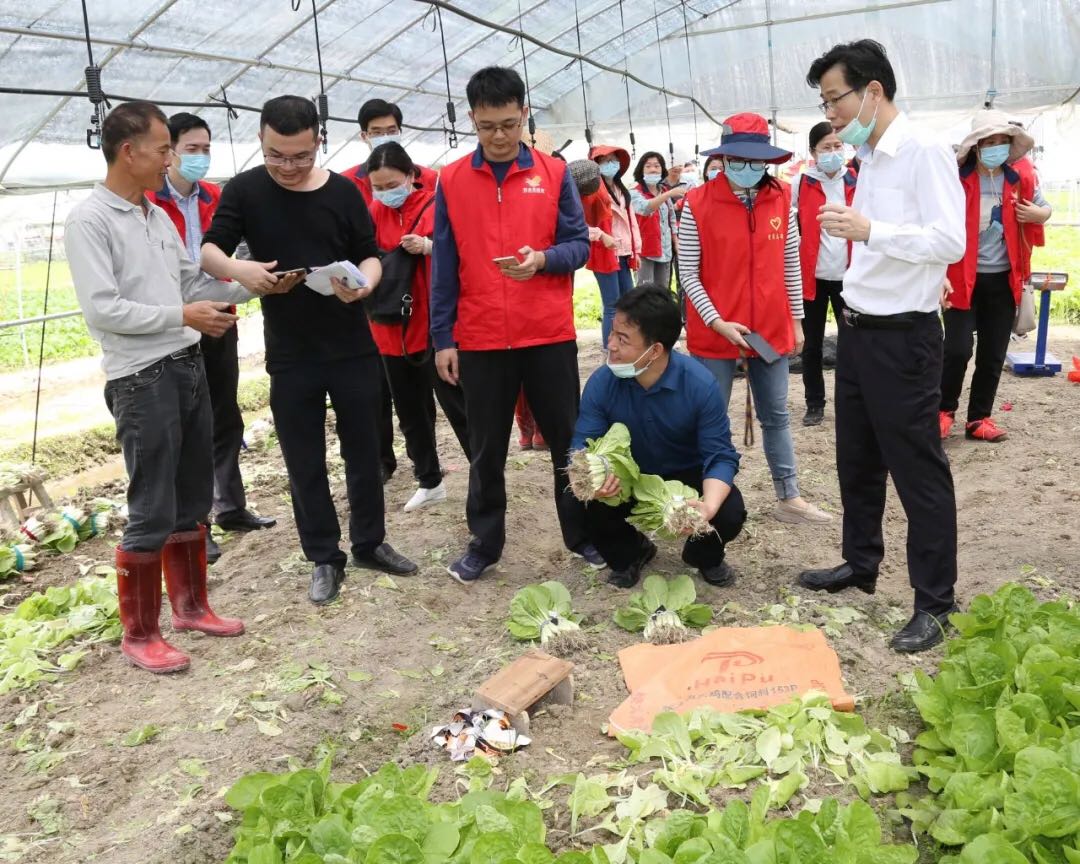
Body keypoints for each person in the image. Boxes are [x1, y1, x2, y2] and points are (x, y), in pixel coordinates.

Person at [64, 102, 295, 673]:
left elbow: (190, 280)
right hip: (141, 378)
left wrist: (254, 283)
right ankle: (139, 633)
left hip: (186, 365)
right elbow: (104, 310)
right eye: (166, 147)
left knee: (192, 496)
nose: (174, 157)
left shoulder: (156, 217)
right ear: (129, 151)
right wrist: (183, 316)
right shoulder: (90, 221)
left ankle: (192, 606)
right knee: (152, 505)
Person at [201, 95, 417, 606]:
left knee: (365, 452)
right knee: (304, 460)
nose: (289, 167)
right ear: (261, 141)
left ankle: (370, 542)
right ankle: (323, 556)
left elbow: (370, 251)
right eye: (277, 155)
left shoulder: (343, 191)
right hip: (291, 353)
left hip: (351, 346)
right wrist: (242, 271)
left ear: (318, 141)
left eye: (300, 156)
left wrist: (365, 283)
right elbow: (211, 249)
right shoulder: (246, 190)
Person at [799, 40, 966, 652]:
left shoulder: (921, 151)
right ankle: (860, 562)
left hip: (904, 337)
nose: (830, 112)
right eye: (823, 101)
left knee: (917, 469)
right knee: (858, 458)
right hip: (860, 328)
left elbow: (948, 239)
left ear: (872, 90)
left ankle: (935, 602)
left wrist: (873, 230)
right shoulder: (865, 157)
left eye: (834, 98)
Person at [430, 66, 600, 583]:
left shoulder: (552, 174)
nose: (499, 136)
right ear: (473, 122)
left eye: (508, 123)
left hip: (546, 332)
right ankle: (485, 542)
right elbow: (445, 264)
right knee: (485, 447)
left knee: (567, 440)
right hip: (481, 337)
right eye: (487, 126)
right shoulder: (454, 180)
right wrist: (444, 338)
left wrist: (542, 260)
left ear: (524, 115)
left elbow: (579, 245)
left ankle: (584, 534)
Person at [679, 113, 832, 526]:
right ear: (724, 158)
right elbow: (689, 274)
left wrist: (796, 320)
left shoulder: (781, 197)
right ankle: (703, 499)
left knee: (776, 414)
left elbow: (789, 262)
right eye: (738, 159)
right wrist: (717, 322)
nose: (748, 168)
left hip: (770, 327)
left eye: (756, 161)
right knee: (711, 417)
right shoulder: (696, 203)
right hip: (715, 332)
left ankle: (789, 496)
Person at [148, 112, 277, 567]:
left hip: (220, 315)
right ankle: (193, 524)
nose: (199, 157)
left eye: (206, 149)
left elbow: (237, 255)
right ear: (169, 152)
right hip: (176, 324)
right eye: (190, 149)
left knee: (225, 415)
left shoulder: (217, 197)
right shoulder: (149, 203)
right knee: (188, 425)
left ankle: (231, 506)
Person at [574, 286, 746, 588]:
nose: (610, 345)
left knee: (729, 510)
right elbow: (581, 445)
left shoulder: (700, 385)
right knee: (578, 500)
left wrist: (708, 507)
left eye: (622, 339)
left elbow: (719, 455)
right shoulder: (602, 381)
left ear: (654, 350)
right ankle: (630, 553)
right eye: (612, 333)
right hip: (628, 473)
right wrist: (592, 480)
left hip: (687, 472)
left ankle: (702, 555)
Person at [365, 141, 471, 511]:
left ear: (411, 176)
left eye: (391, 184)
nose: (384, 193)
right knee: (409, 410)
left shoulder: (435, 205)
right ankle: (429, 479)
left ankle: (485, 472)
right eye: (377, 187)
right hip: (389, 329)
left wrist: (428, 247)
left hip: (432, 325)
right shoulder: (372, 213)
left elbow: (464, 252)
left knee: (457, 403)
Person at [939, 110, 1051, 442]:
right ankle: (943, 411)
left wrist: (1036, 213)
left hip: (1003, 279)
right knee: (957, 349)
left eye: (1003, 142)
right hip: (961, 278)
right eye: (990, 142)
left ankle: (979, 419)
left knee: (993, 352)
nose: (997, 148)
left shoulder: (1020, 178)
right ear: (975, 147)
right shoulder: (956, 179)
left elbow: (1045, 209)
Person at [344, 98, 440, 483]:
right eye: (376, 130)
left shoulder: (432, 186)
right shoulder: (354, 188)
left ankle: (435, 464)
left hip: (425, 313)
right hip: (383, 314)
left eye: (390, 129)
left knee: (433, 393)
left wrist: (430, 246)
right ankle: (391, 463)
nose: (384, 191)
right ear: (363, 135)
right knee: (386, 395)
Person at [791, 121, 858, 427]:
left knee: (850, 343)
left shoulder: (856, 180)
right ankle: (814, 403)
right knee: (813, 344)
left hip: (849, 276)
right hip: (813, 278)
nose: (833, 153)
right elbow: (792, 227)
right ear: (813, 152)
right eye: (826, 148)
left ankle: (849, 402)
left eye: (837, 146)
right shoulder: (801, 183)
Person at [589, 144, 641, 347]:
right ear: (596, 165)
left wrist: (636, 249)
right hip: (604, 252)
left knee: (628, 303)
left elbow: (631, 221)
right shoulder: (591, 191)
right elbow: (581, 222)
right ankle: (608, 350)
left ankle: (625, 345)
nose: (611, 164)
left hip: (624, 252)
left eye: (614, 160)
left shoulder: (621, 189)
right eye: (605, 161)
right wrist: (601, 235)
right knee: (612, 305)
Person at [630, 151, 684, 290]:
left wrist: (676, 242)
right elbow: (646, 208)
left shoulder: (663, 189)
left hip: (665, 250)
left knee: (662, 291)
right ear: (641, 170)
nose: (653, 169)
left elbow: (671, 218)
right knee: (645, 292)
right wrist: (668, 194)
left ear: (662, 169)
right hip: (645, 251)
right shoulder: (635, 192)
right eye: (648, 166)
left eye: (657, 166)